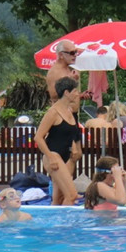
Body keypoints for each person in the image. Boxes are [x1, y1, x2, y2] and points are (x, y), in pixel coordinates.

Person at [35, 76, 82, 206]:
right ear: (66, 93)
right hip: (54, 155)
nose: (77, 94)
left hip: (67, 157)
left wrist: (75, 147)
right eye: (75, 91)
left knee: (58, 198)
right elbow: (38, 137)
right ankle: (65, 220)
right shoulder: (53, 112)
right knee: (72, 195)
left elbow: (72, 133)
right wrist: (50, 157)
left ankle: (54, 218)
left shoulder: (69, 110)